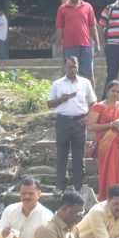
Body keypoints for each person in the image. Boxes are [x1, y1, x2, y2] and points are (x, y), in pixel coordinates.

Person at [48, 56, 97, 193]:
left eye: (74, 66)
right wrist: (62, 99)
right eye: (70, 66)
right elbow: (49, 104)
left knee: (78, 155)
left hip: (79, 121)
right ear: (65, 67)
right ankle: (60, 186)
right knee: (62, 154)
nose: (72, 69)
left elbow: (93, 102)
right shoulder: (58, 84)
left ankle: (78, 186)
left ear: (78, 66)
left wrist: (88, 117)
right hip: (63, 121)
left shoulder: (85, 83)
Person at [86, 80, 119, 201]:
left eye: (118, 91)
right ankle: (107, 198)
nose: (115, 93)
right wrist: (111, 125)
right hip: (106, 146)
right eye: (113, 91)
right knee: (109, 172)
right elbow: (91, 126)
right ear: (107, 91)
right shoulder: (98, 107)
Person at [55, 0, 99, 83]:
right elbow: (59, 28)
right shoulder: (62, 9)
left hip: (86, 46)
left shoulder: (88, 7)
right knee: (70, 73)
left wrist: (97, 43)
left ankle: (91, 97)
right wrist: (58, 44)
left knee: (88, 73)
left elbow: (93, 26)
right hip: (69, 46)